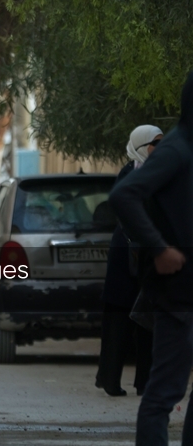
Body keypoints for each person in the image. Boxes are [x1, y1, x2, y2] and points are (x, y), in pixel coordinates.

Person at [109, 72, 193, 446]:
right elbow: (126, 195)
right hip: (177, 296)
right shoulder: (176, 150)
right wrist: (159, 248)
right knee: (163, 394)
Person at [95, 125, 161, 397]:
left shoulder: (160, 174)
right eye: (154, 143)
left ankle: (145, 382)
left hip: (149, 256)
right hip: (126, 255)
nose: (158, 148)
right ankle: (110, 379)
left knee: (147, 319)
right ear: (140, 145)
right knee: (118, 320)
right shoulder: (128, 174)